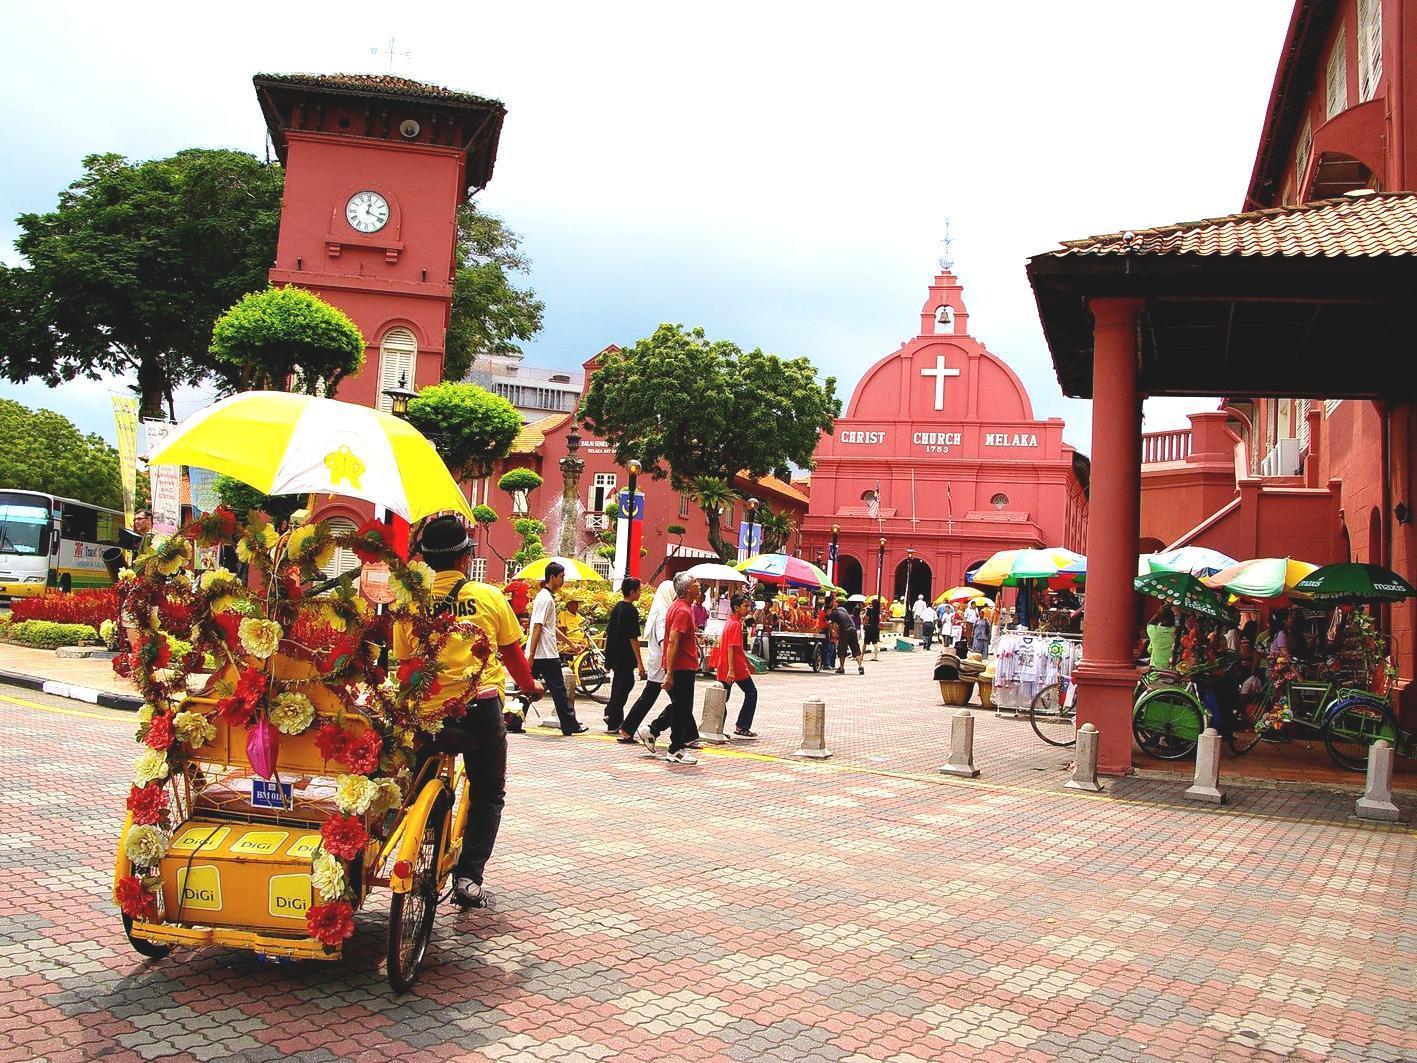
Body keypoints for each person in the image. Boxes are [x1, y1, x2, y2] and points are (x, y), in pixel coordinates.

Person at [396, 515, 544, 909]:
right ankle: (468, 877)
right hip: (479, 711)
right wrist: (531, 688)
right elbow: (513, 655)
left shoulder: (410, 599)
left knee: (412, 780)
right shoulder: (489, 597)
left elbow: (404, 661)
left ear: (426, 560)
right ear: (464, 558)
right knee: (489, 793)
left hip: (427, 713)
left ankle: (420, 830)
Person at [643, 572, 702, 765]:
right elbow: (672, 642)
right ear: (687, 589)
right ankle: (675, 748)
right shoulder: (682, 611)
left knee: (681, 706)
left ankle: (654, 731)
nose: (698, 584)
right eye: (694, 582)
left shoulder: (679, 607)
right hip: (681, 667)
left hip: (680, 666)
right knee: (683, 707)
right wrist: (669, 672)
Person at [525, 562, 586, 735]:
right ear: (552, 577)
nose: (563, 580)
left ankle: (513, 719)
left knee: (528, 686)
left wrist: (571, 644)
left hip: (541, 652)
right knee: (558, 690)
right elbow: (537, 627)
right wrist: (531, 655)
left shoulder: (546, 597)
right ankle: (570, 725)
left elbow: (550, 628)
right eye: (561, 577)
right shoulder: (545, 599)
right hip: (544, 652)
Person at [619, 579, 675, 743]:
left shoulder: (661, 611)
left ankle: (627, 728)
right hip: (662, 663)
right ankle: (652, 729)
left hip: (658, 661)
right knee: (680, 701)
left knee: (650, 697)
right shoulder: (662, 614)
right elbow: (664, 641)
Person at [601, 578, 646, 734]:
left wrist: (607, 657)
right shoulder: (631, 611)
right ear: (632, 592)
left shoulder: (617, 608)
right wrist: (640, 663)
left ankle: (613, 718)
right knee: (625, 685)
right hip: (625, 656)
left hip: (615, 654)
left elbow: (609, 633)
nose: (640, 593)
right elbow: (633, 638)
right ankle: (612, 717)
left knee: (618, 686)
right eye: (639, 590)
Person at [717, 593, 760, 738]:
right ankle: (740, 726)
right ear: (736, 608)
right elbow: (731, 647)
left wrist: (748, 663)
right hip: (733, 667)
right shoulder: (735, 624)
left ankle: (721, 728)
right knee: (749, 693)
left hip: (732, 666)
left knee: (723, 697)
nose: (748, 609)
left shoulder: (732, 621)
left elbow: (737, 648)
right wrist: (731, 670)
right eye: (745, 606)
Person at [830, 597, 865, 675]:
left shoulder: (834, 613)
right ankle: (860, 666)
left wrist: (834, 632)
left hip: (845, 631)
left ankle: (842, 667)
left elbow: (833, 625)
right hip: (853, 629)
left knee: (842, 649)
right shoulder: (843, 609)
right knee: (855, 648)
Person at [1146, 604, 1177, 671]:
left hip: (1156, 667)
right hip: (1171, 666)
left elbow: (1150, 624)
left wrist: (1161, 610)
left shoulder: (1155, 632)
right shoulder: (1175, 631)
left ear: (1159, 618)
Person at [818, 595, 837, 671]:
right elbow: (827, 621)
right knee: (827, 648)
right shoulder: (826, 610)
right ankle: (826, 664)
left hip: (823, 630)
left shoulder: (823, 609)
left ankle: (825, 664)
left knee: (827, 647)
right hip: (825, 630)